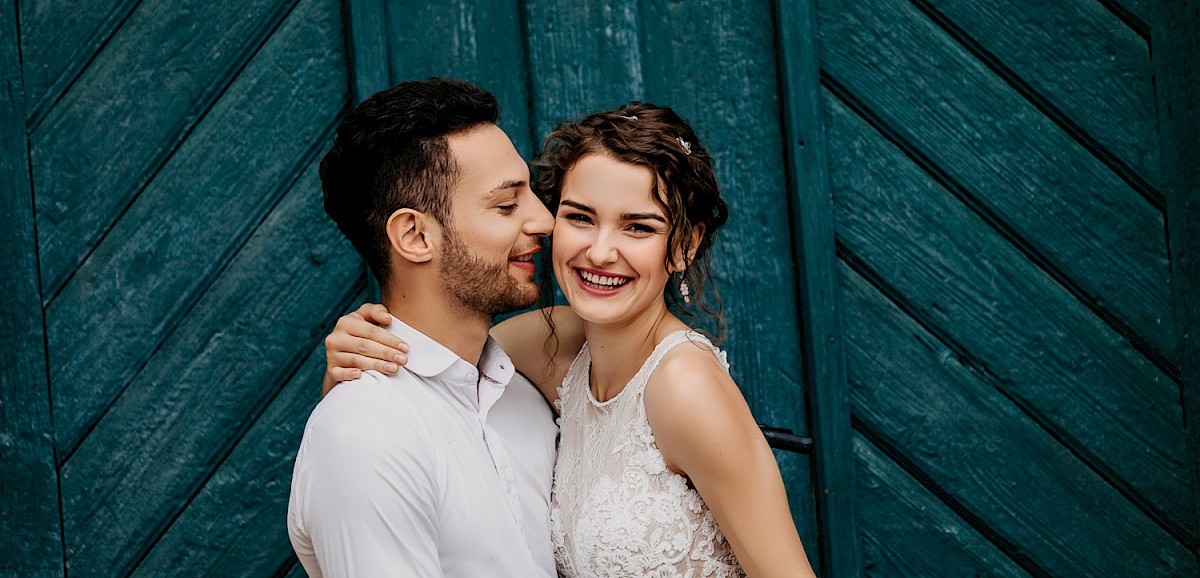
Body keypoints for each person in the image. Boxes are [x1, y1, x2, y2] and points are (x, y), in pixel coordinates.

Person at [326, 102, 818, 577]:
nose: (600, 251)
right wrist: (352, 360)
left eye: (638, 227)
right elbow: (434, 354)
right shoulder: (549, 343)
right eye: (580, 217)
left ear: (684, 246)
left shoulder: (686, 386)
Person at [286, 77, 560, 578]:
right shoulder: (365, 432)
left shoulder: (524, 397)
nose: (544, 220)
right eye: (506, 204)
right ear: (414, 236)